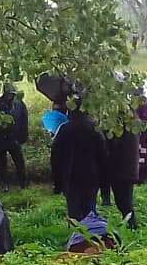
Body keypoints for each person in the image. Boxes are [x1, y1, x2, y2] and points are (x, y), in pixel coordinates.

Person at [51, 94, 105, 222]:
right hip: (92, 175)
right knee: (90, 209)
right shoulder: (95, 128)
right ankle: (91, 231)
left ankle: (78, 232)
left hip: (71, 176)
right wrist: (104, 185)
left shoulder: (65, 129)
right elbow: (103, 156)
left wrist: (58, 183)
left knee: (74, 212)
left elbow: (55, 158)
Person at [100, 116, 141, 230]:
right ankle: (131, 226)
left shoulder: (117, 125)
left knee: (123, 201)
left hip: (120, 168)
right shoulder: (131, 121)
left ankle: (132, 226)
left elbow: (108, 144)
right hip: (127, 167)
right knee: (125, 200)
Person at [0, 83, 29, 186]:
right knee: (1, 163)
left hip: (14, 138)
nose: (11, 96)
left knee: (19, 161)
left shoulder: (19, 104)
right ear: (5, 93)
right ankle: (3, 183)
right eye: (9, 94)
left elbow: (24, 121)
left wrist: (24, 136)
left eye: (12, 94)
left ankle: (23, 182)